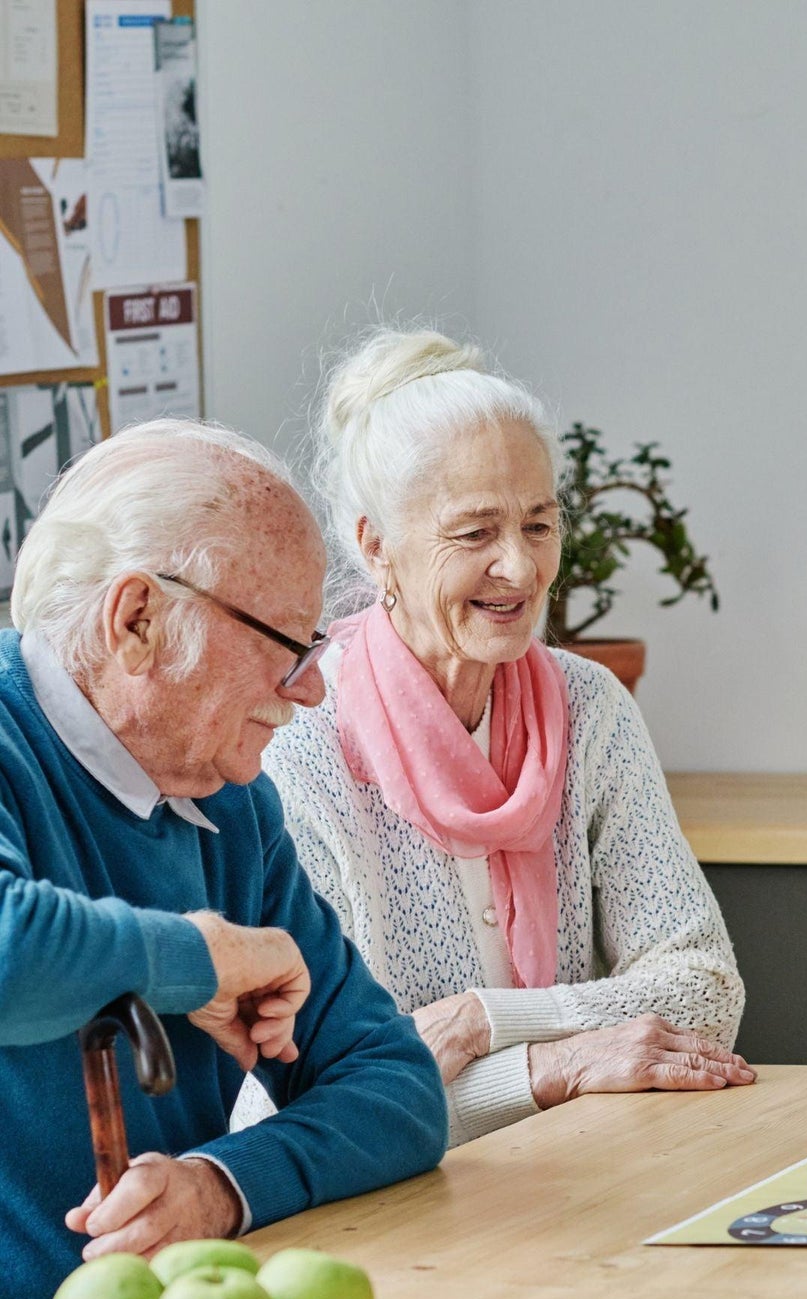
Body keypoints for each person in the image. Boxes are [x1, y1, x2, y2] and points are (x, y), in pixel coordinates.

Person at [252, 329, 750, 1147]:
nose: (519, 569)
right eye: (475, 533)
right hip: (384, 1196)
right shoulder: (297, 747)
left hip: (580, 1167)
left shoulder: (589, 706)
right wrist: (551, 1068)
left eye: (539, 525)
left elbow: (704, 990)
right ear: (376, 545)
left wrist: (481, 1021)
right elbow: (309, 1098)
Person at [0, 418, 447, 1299]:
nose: (311, 688)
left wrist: (218, 1187)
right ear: (137, 619)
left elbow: (395, 1087)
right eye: (287, 642)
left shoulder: (228, 805)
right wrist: (202, 957)